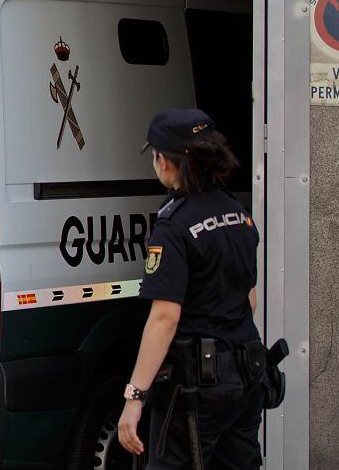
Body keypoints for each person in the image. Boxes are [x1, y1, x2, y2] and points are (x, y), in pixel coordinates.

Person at [117, 108, 264, 469]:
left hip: (197, 388)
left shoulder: (174, 224)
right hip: (245, 377)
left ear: (166, 162)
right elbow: (250, 298)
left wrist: (135, 397)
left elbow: (165, 318)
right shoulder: (238, 214)